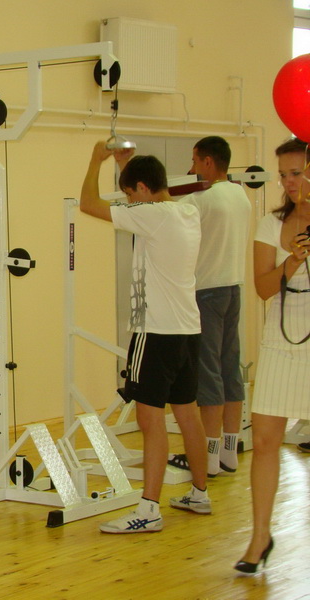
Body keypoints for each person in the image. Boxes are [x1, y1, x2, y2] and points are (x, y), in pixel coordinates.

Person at [79, 141, 210, 534]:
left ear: (141, 188)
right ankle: (199, 493)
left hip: (155, 332)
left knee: (149, 419)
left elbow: (88, 203)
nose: (128, 203)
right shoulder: (186, 212)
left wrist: (96, 159)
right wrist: (127, 164)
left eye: (129, 194)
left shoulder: (152, 216)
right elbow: (145, 194)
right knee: (187, 414)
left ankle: (149, 510)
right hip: (187, 331)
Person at [237, 138, 310, 572]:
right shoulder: (270, 223)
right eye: (283, 174)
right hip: (281, 339)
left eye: (296, 172)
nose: (288, 182)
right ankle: (260, 536)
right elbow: (263, 288)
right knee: (264, 439)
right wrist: (292, 261)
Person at [167, 137, 251, 477]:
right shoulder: (240, 195)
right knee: (230, 367)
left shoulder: (201, 199)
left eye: (194, 161)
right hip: (233, 288)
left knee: (209, 372)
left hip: (207, 292)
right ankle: (229, 451)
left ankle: (209, 456)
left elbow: (165, 212)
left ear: (207, 162)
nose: (191, 168)